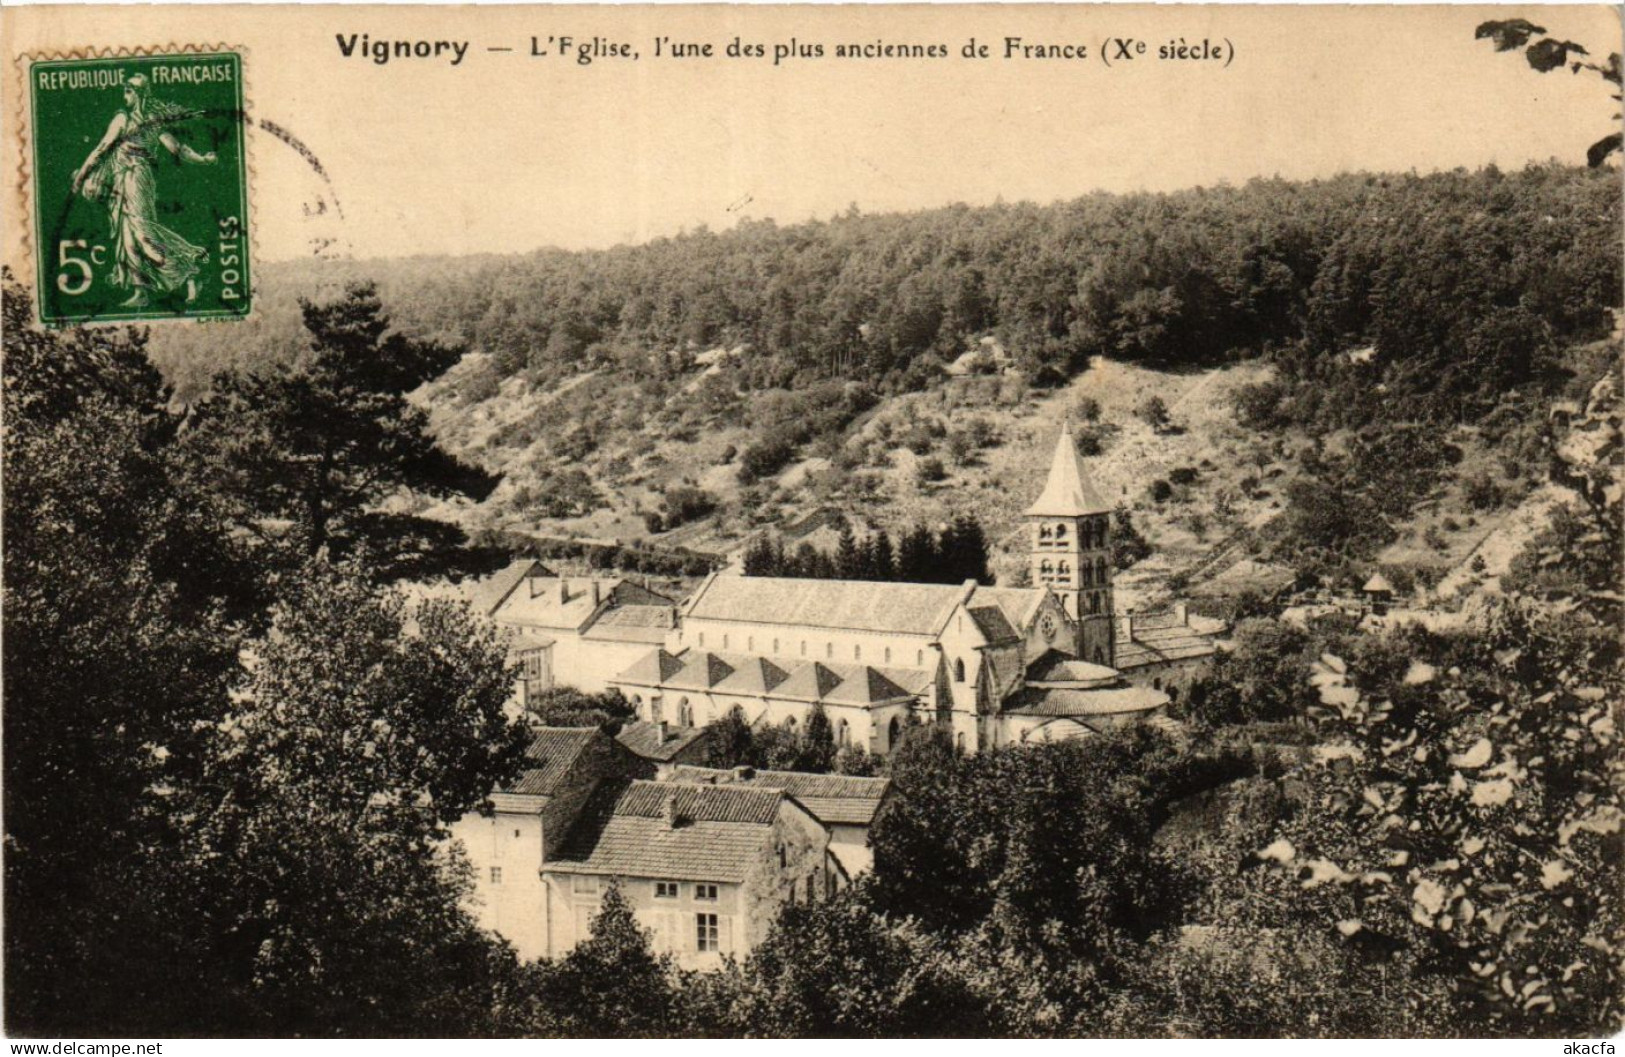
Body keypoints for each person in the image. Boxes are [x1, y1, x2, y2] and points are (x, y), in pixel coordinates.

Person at [70, 73, 217, 307]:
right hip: (124, 179)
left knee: (142, 234)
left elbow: (103, 149)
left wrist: (81, 176)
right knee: (128, 235)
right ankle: (141, 291)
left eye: (128, 91)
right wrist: (203, 159)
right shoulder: (146, 119)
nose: (124, 95)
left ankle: (190, 268)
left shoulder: (129, 119)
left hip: (135, 177)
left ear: (138, 94)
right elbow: (177, 149)